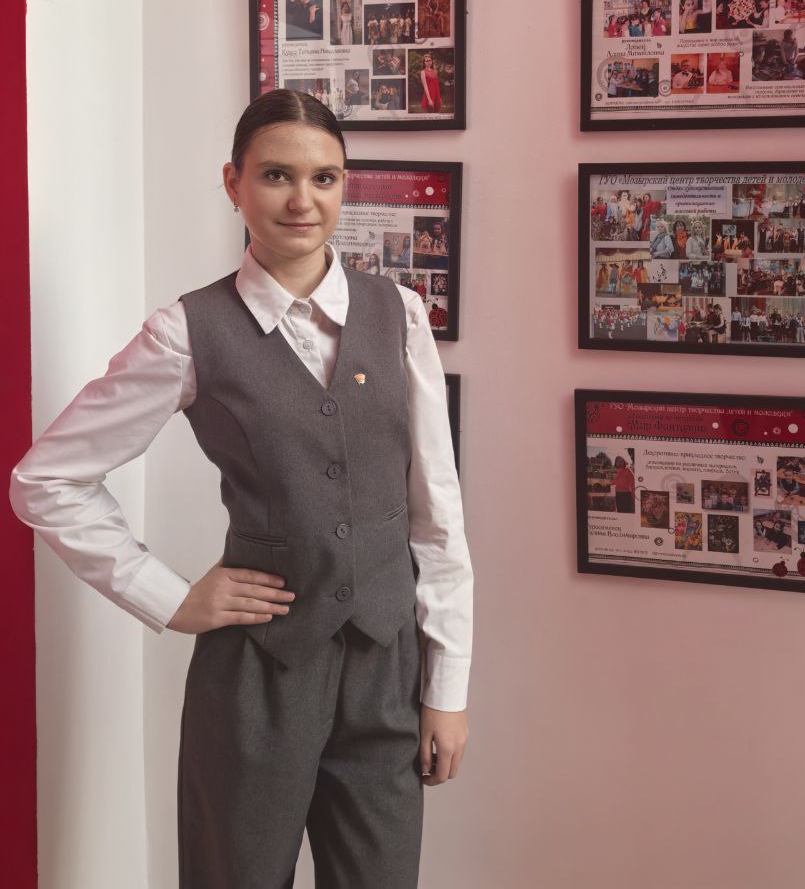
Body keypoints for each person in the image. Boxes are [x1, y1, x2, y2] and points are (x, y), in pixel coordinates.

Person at [9, 90, 472, 888]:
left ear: (344, 185)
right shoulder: (187, 331)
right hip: (257, 675)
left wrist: (448, 688)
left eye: (324, 178)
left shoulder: (398, 314)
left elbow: (437, 514)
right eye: (276, 175)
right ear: (234, 183)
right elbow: (46, 479)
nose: (303, 201)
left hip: (385, 667)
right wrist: (168, 597)